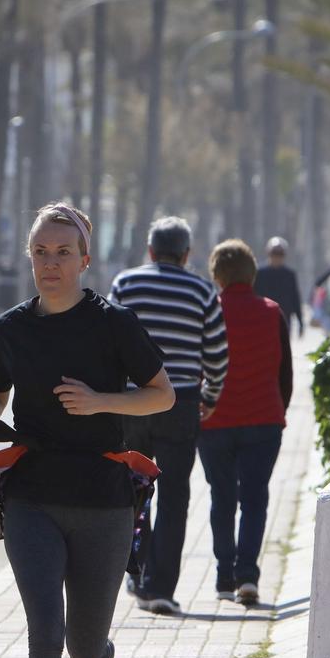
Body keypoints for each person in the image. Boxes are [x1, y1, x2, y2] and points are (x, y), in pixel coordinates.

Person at [0, 202, 175, 658]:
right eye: (40, 252)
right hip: (31, 497)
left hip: (104, 501)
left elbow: (161, 397)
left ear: (85, 259)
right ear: (27, 257)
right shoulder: (9, 329)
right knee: (42, 634)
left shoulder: (114, 324)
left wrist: (100, 400)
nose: (50, 263)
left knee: (83, 644)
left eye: (62, 253)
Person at [108, 217, 228, 615]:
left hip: (131, 402)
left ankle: (137, 569)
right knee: (175, 494)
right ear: (187, 254)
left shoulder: (126, 283)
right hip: (180, 403)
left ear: (150, 251)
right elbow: (216, 355)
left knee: (132, 488)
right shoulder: (202, 290)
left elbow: (107, 339)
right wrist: (208, 397)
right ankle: (161, 587)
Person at [198, 240, 291, 608]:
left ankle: (223, 576)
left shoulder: (210, 312)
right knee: (254, 500)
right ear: (252, 273)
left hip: (214, 420)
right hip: (263, 420)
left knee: (222, 498)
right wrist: (278, 411)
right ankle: (247, 576)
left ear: (217, 275)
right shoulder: (272, 312)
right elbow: (285, 372)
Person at [252, 236, 305, 336]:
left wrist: (300, 322)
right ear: (269, 253)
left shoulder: (289, 275)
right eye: (274, 253)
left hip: (284, 319)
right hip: (263, 318)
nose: (277, 257)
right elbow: (253, 296)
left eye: (280, 254)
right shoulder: (259, 273)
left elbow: (295, 298)